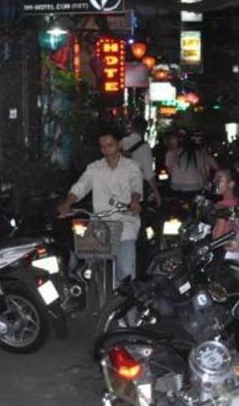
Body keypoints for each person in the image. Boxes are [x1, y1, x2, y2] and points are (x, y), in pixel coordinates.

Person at [58, 127, 143, 285]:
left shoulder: (131, 166)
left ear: (119, 145)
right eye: (103, 147)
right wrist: (67, 203)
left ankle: (125, 297)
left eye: (110, 145)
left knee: (126, 271)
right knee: (87, 269)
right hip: (100, 224)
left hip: (125, 223)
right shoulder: (94, 168)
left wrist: (134, 201)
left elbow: (136, 185)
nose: (106, 150)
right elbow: (81, 186)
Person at [121, 116, 162, 209]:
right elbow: (148, 173)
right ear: (144, 130)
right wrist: (156, 193)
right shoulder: (145, 147)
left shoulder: (121, 142)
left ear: (131, 127)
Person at [165, 130, 217, 194]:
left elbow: (170, 172)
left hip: (176, 187)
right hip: (195, 187)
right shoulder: (197, 153)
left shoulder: (170, 154)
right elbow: (203, 172)